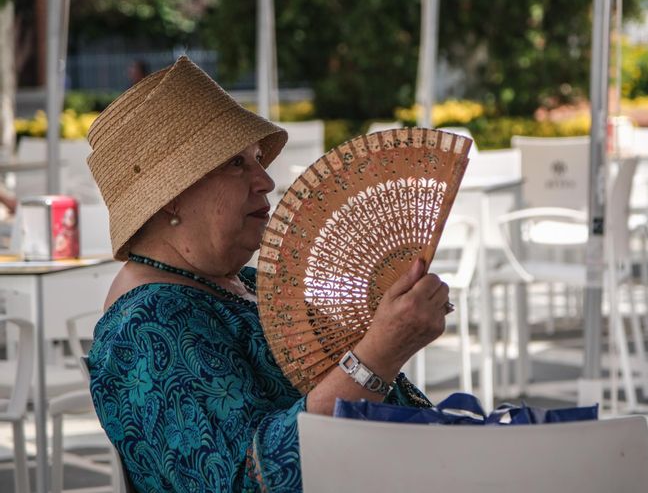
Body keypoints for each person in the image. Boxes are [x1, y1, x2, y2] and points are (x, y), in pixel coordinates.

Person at [85, 56, 449, 492]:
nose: (265, 181)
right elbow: (250, 481)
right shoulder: (147, 327)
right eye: (236, 164)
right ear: (171, 199)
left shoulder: (249, 284)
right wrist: (378, 356)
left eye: (257, 159)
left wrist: (389, 325)